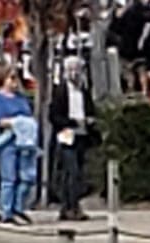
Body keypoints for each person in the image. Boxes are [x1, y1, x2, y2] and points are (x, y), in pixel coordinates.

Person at [0, 65, 37, 226]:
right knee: (9, 178)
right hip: (7, 141)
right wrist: (16, 122)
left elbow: (29, 116)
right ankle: (7, 211)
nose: (14, 82)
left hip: (25, 142)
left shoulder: (21, 98)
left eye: (16, 78)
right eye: (11, 78)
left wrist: (24, 124)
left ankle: (18, 207)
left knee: (27, 177)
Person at [49, 56, 96, 222]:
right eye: (71, 70)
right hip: (67, 133)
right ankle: (70, 206)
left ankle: (72, 205)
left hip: (82, 134)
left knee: (79, 171)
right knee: (71, 170)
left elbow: (90, 110)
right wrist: (72, 122)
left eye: (77, 70)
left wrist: (89, 120)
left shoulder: (84, 91)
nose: (74, 73)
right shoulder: (60, 91)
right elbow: (54, 116)